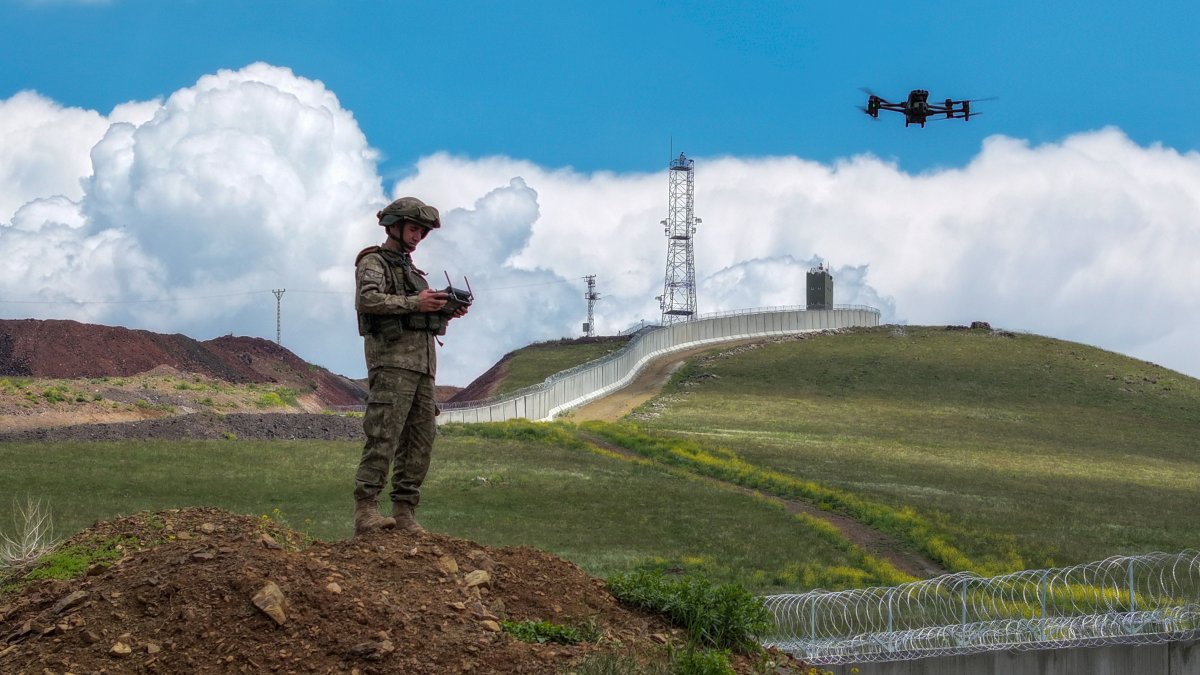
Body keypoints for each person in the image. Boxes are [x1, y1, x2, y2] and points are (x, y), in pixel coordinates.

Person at [352, 197, 467, 535]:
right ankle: (366, 511)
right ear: (395, 226)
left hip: (422, 369)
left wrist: (444, 309)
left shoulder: (413, 274)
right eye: (414, 228)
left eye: (422, 232)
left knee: (420, 440)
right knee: (383, 435)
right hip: (391, 365)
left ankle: (404, 512)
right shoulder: (373, 262)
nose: (418, 236)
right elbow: (368, 299)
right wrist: (416, 301)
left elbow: (417, 315)